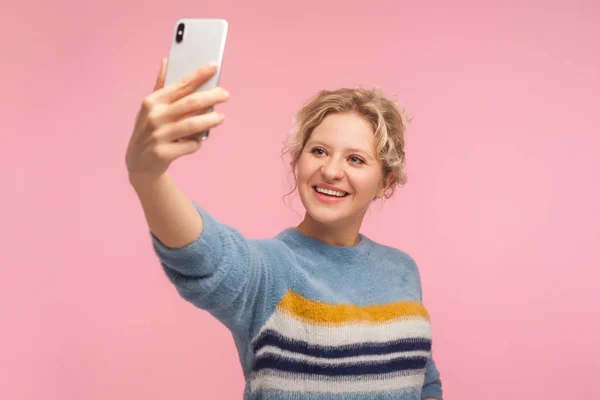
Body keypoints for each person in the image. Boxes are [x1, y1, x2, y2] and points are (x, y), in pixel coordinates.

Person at [126, 59, 443, 400]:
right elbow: (204, 255)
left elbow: (423, 381)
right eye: (318, 151)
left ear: (386, 182)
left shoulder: (402, 270)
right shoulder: (269, 270)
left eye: (356, 159)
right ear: (298, 161)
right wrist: (148, 176)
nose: (331, 171)